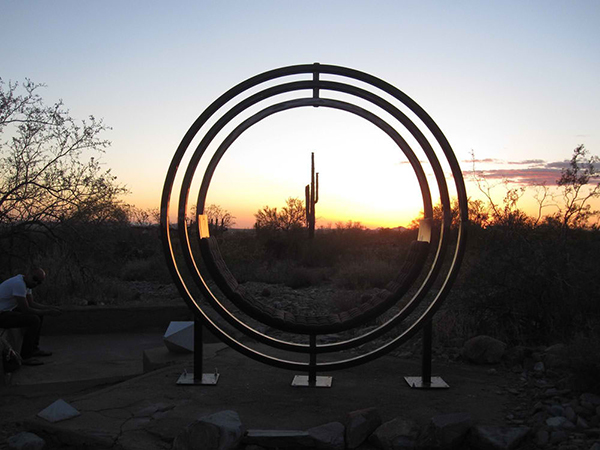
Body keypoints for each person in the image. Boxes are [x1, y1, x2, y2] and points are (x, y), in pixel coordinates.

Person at [0, 268, 61, 366]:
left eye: (39, 282)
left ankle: (33, 349)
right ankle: (26, 356)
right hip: (2, 315)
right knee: (34, 320)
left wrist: (49, 308)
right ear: (28, 274)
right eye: (35, 279)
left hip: (6, 311)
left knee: (38, 316)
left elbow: (31, 303)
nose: (36, 283)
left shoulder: (26, 284)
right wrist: (47, 312)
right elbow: (26, 309)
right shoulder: (18, 284)